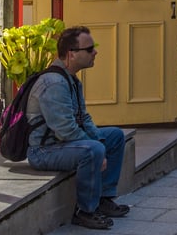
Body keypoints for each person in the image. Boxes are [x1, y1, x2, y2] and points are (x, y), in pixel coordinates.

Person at [26, 26, 131, 230]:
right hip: (44, 151)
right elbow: (65, 130)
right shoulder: (53, 83)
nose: (95, 52)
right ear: (71, 54)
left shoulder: (70, 78)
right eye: (89, 49)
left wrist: (98, 139)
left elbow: (84, 118)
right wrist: (96, 147)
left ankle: (104, 198)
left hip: (62, 145)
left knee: (114, 136)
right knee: (93, 150)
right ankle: (85, 211)